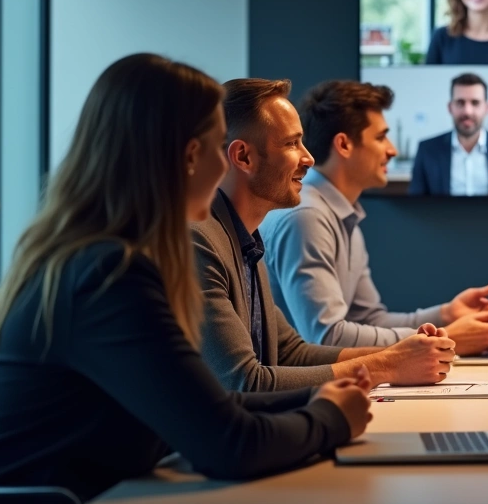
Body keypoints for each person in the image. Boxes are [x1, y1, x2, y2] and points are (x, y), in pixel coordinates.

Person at [0, 54, 370, 501]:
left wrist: (317, 397)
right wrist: (331, 418)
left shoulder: (98, 258)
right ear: (191, 156)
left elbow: (209, 404)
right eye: (218, 147)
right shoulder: (110, 276)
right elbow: (230, 445)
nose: (226, 165)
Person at [195, 78, 455, 392]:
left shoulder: (244, 239)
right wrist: (387, 365)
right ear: (244, 157)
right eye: (292, 144)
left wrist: (398, 355)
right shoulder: (201, 242)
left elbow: (290, 352)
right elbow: (244, 383)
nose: (309, 158)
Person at [261, 79, 488, 353]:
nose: (392, 150)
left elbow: (368, 320)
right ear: (344, 145)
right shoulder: (308, 217)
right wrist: (446, 338)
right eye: (380, 137)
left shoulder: (339, 214)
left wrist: (446, 315)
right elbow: (327, 337)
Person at [409, 73, 488, 196]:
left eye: (475, 103)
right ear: (450, 107)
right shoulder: (427, 150)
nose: (467, 111)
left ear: (486, 108)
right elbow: (414, 207)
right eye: (460, 103)